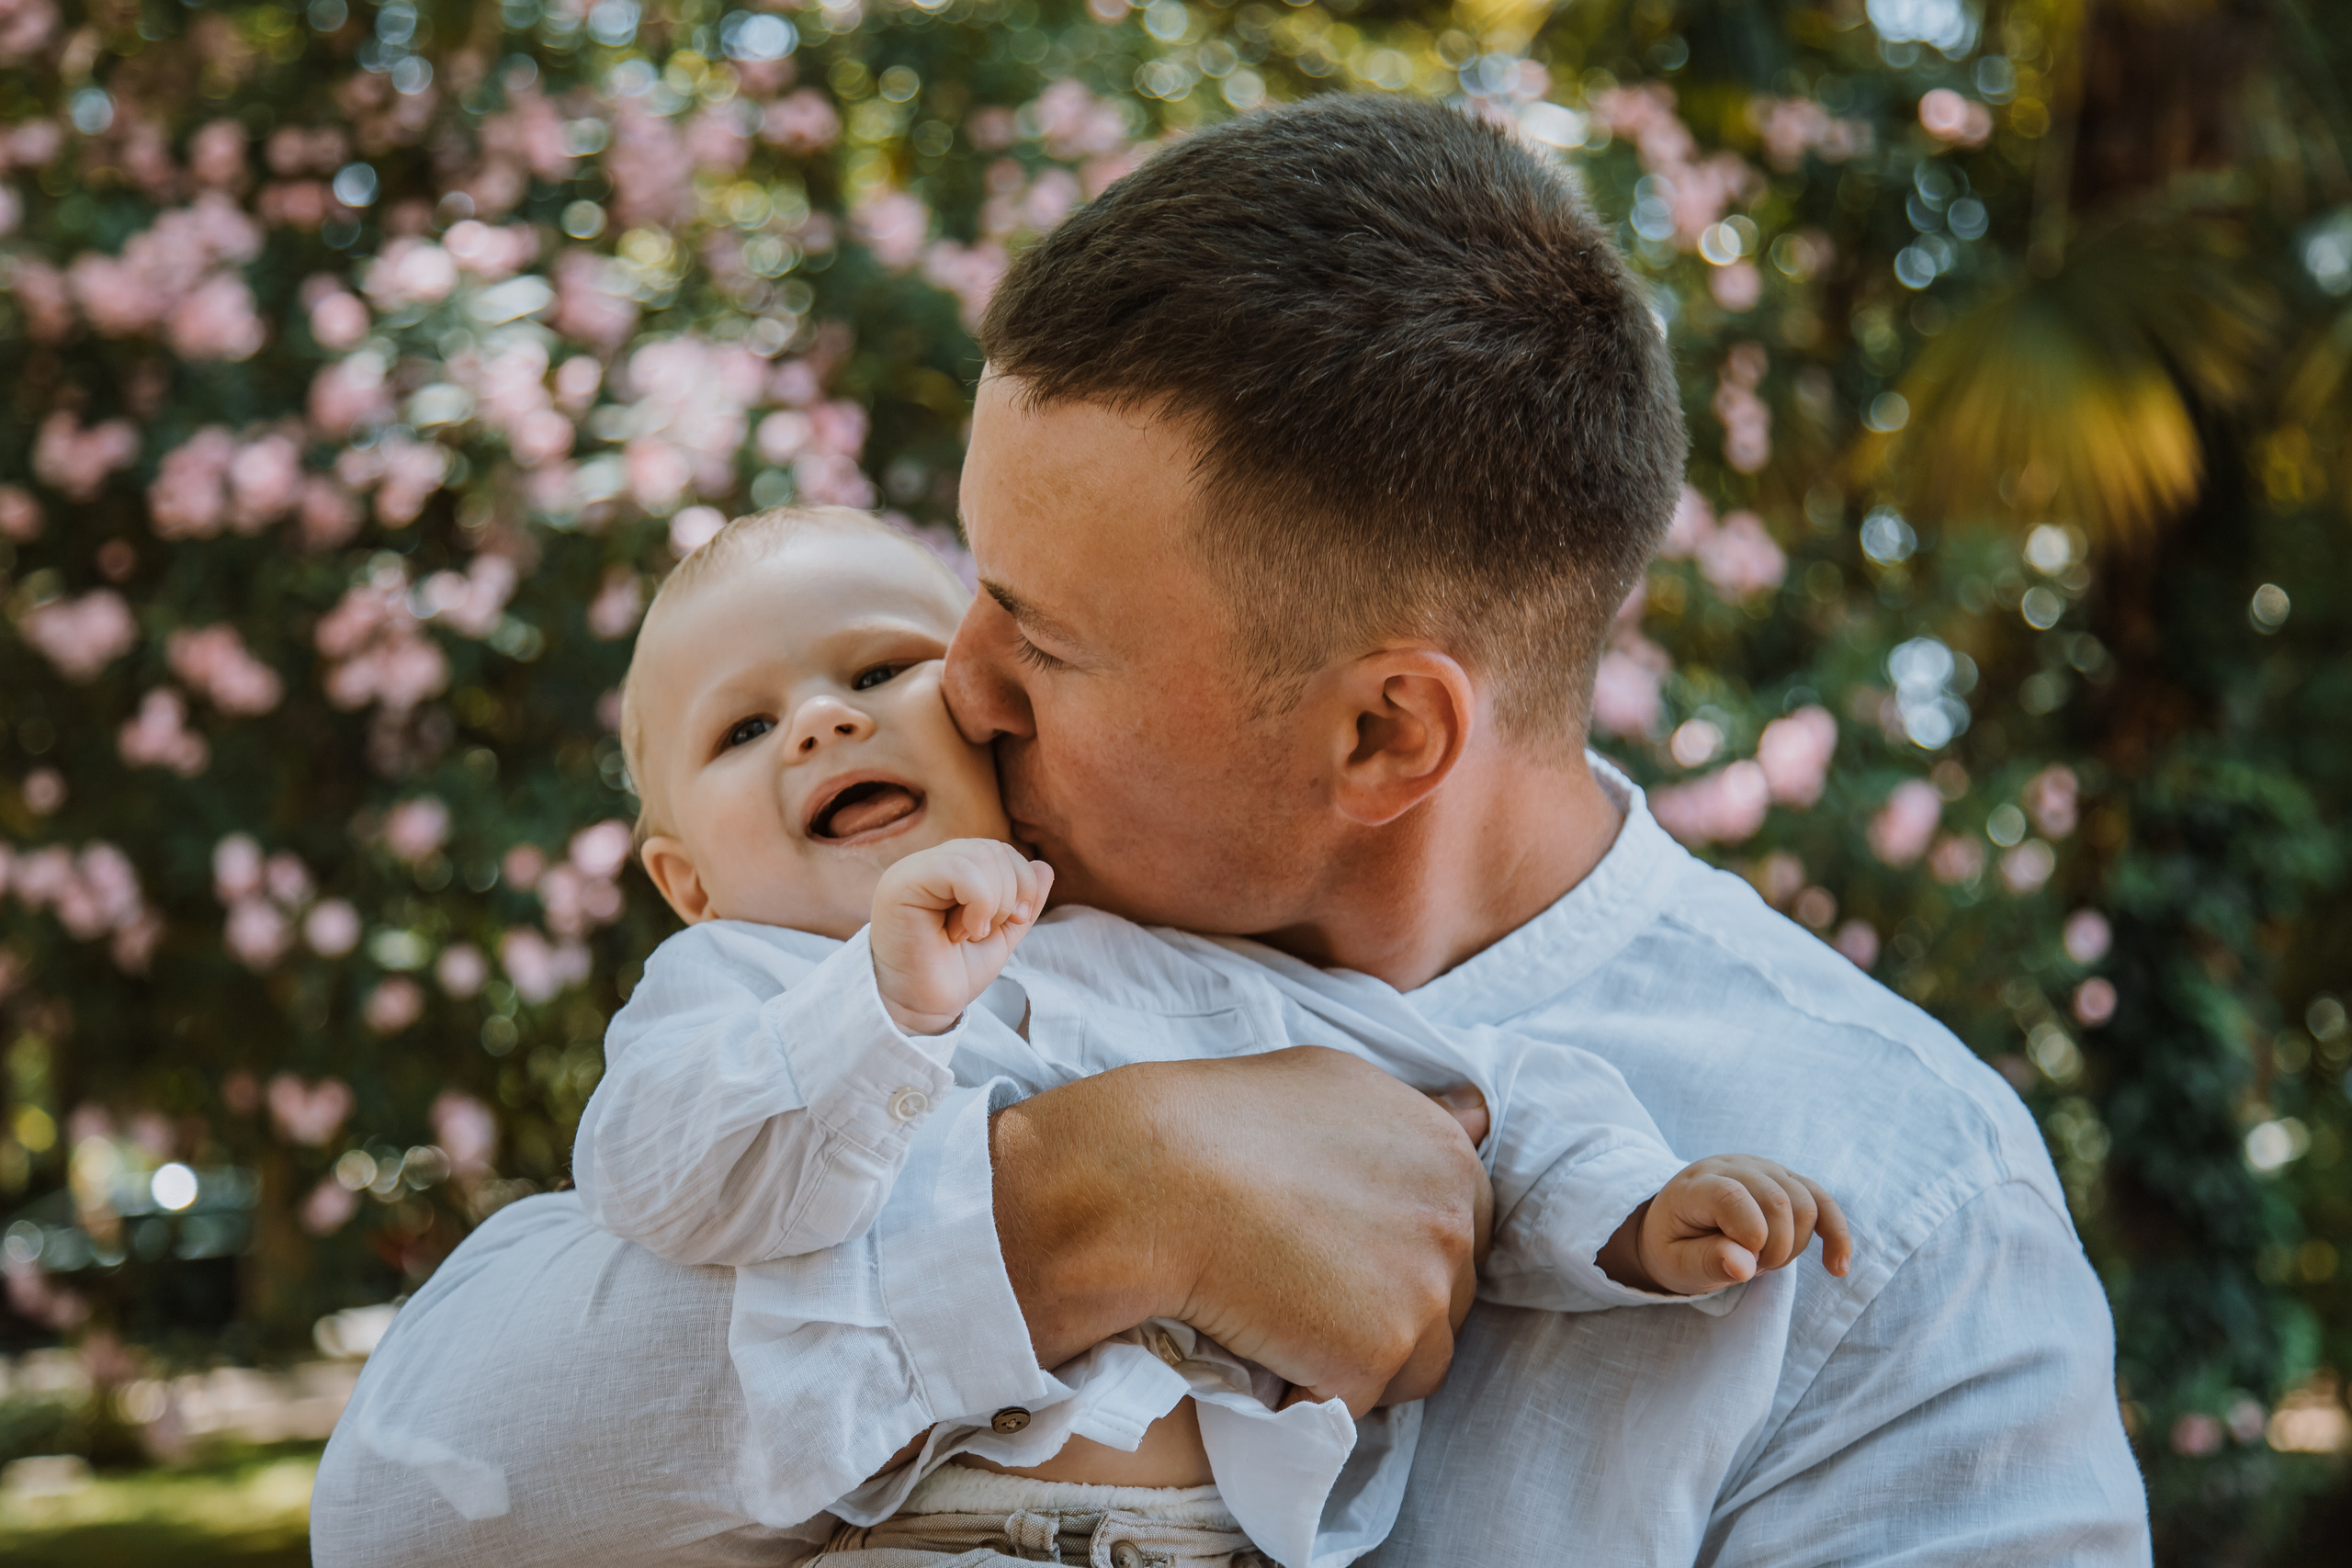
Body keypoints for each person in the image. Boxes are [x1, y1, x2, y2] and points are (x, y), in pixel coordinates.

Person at [312, 95, 2150, 1565]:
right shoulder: (909, 956)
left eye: (1037, 634)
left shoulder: (1901, 1225)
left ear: (1376, 730)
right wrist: (1088, 1203)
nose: (951, 688)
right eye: (971, 586)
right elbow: (403, 1504)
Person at [560, 501, 1849, 1567]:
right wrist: (876, 1006)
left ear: (980, 716)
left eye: (880, 669)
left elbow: (1462, 1095)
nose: (822, 723)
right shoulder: (730, 985)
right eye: (744, 729)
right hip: (940, 1535)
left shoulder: (1157, 951)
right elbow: (658, 1174)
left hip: (1216, 1543)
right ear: (686, 883)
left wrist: (1629, 1211)